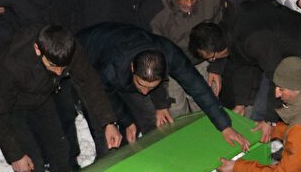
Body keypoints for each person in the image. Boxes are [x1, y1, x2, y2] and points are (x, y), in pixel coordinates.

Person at [0, 24, 121, 172]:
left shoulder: (67, 47)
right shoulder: (10, 66)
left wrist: (108, 121)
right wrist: (15, 155)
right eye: (53, 65)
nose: (58, 72)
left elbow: (89, 81)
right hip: (11, 108)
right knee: (33, 164)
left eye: (62, 68)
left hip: (41, 97)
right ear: (37, 49)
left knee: (61, 151)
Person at [77, 22, 249, 150]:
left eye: (151, 87)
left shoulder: (171, 55)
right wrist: (123, 120)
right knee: (106, 132)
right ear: (132, 68)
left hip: (128, 51)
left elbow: (199, 88)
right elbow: (104, 94)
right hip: (84, 58)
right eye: (142, 85)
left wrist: (225, 126)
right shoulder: (111, 69)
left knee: (151, 118)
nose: (145, 92)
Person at [190, 0, 301, 122]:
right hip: (279, 52)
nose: (213, 60)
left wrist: (268, 120)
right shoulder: (230, 32)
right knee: (259, 112)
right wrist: (240, 104)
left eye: (212, 58)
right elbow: (243, 64)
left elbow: (276, 77)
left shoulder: (254, 40)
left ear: (220, 48)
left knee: (295, 102)